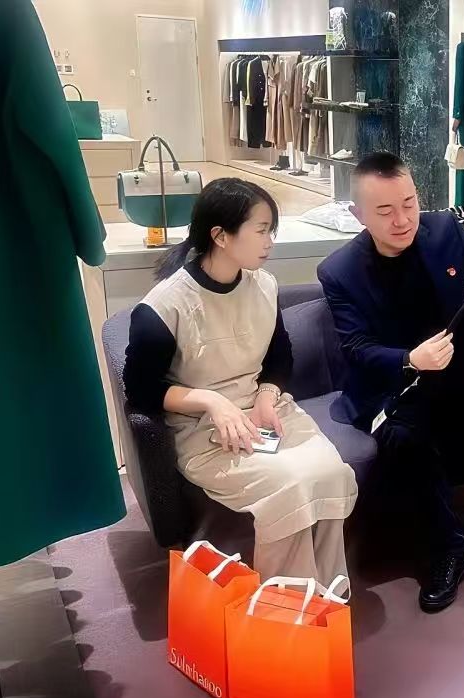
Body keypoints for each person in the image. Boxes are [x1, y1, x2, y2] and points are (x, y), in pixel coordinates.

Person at [317, 152, 464, 613]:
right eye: (384, 211)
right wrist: (409, 359)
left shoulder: (446, 231)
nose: (402, 220)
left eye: (409, 204)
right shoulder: (340, 271)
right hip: (396, 391)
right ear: (358, 214)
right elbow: (356, 348)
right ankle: (448, 549)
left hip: (462, 384)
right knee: (408, 450)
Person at [124, 178, 358, 583]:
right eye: (262, 230)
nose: (270, 242)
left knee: (331, 475)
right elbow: (141, 389)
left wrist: (267, 393)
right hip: (204, 431)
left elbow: (279, 356)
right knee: (290, 487)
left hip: (264, 413)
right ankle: (285, 606)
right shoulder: (165, 306)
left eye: (271, 230)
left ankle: (325, 595)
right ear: (220, 236)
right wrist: (211, 402)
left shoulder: (263, 285)